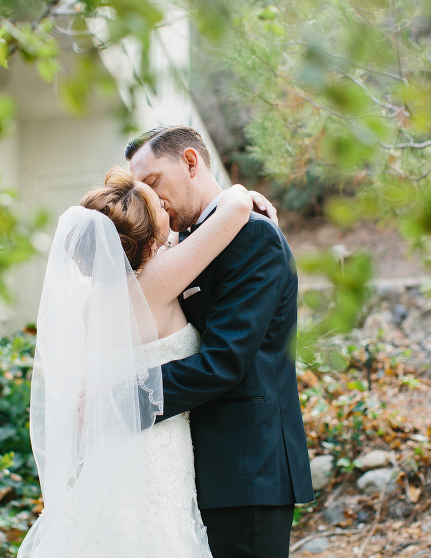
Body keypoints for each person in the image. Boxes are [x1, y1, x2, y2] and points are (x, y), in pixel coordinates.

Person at [20, 166, 273, 558]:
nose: (170, 216)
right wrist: (240, 189)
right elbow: (236, 209)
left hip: (111, 454)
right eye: (161, 209)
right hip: (154, 455)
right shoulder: (156, 282)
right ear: (151, 239)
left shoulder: (92, 305)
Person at [127, 125, 314, 558]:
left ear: (191, 162)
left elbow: (224, 361)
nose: (152, 200)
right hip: (200, 469)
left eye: (153, 183)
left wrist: (121, 400)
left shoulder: (253, 236)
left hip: (247, 469)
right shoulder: (192, 242)